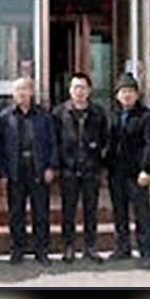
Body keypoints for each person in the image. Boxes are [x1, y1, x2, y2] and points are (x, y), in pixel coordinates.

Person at [0, 77, 58, 266]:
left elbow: (53, 143)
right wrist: (3, 171)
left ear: (32, 92)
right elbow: (0, 147)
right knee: (16, 213)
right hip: (15, 170)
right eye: (18, 90)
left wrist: (51, 166)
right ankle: (17, 249)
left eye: (25, 89)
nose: (22, 93)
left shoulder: (44, 116)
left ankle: (41, 250)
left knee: (41, 213)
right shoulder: (5, 117)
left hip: (38, 169)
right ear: (13, 94)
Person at [52, 73, 110, 263]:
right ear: (70, 90)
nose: (79, 91)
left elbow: (105, 140)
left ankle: (90, 247)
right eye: (76, 87)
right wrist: (58, 165)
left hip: (91, 169)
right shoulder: (59, 112)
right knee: (68, 211)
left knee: (90, 210)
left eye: (83, 87)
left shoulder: (98, 113)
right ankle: (68, 247)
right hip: (68, 169)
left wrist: (99, 161)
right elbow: (54, 141)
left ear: (89, 90)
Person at [108, 73, 150, 268]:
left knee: (142, 214)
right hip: (116, 173)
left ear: (137, 95)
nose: (127, 95)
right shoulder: (113, 116)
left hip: (137, 174)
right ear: (117, 95)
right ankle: (123, 248)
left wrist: (146, 169)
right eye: (123, 92)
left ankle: (145, 252)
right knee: (119, 213)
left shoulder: (147, 116)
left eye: (130, 91)